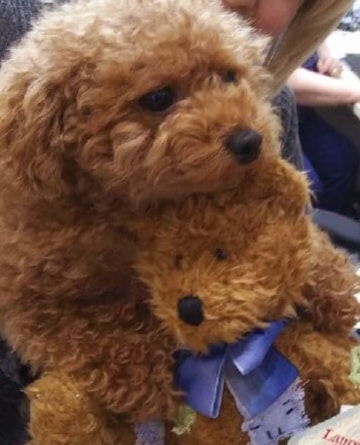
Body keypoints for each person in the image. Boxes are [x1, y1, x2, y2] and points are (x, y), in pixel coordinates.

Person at [0, 1, 355, 444]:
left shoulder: (268, 110)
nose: (237, 123)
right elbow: (35, 309)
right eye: (159, 100)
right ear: (60, 124)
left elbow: (287, 228)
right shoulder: (39, 219)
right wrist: (114, 355)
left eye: (229, 78)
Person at [288, 44, 360, 215]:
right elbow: (280, 76)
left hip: (302, 116)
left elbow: (309, 22)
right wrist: (354, 91)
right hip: (273, 116)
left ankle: (332, 231)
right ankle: (303, 233)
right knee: (308, 185)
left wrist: (324, 56)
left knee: (344, 162)